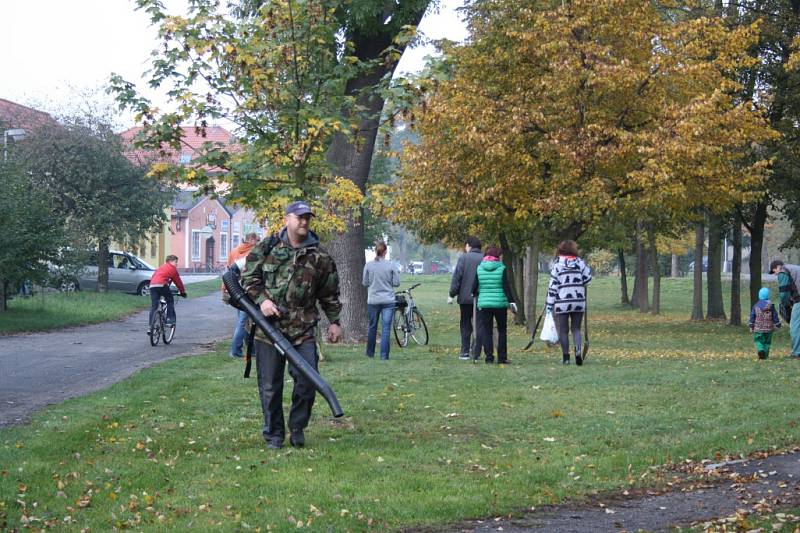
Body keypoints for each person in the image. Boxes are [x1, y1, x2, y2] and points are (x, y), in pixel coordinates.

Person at [240, 200, 342, 450]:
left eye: (307, 217)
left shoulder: (320, 257)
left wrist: (335, 323)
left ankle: (297, 427)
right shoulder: (267, 247)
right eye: (299, 217)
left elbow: (329, 293)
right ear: (286, 219)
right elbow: (247, 278)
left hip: (302, 329)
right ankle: (274, 435)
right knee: (270, 386)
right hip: (268, 329)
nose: (304, 221)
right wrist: (262, 302)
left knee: (307, 382)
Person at [545, 240, 592, 366]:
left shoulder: (557, 265)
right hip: (578, 301)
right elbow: (588, 280)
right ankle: (577, 351)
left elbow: (552, 286)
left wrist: (549, 305)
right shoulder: (580, 263)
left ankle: (566, 358)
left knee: (563, 331)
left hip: (561, 302)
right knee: (576, 329)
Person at [471, 245, 517, 364]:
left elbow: (474, 287)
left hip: (484, 304)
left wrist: (475, 293)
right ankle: (502, 357)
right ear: (497, 256)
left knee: (487, 331)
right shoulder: (502, 268)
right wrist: (512, 301)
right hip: (500, 304)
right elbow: (506, 287)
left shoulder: (479, 268)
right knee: (502, 330)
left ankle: (489, 358)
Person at [362, 241, 401, 360]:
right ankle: (384, 356)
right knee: (386, 329)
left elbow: (365, 282)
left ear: (376, 251)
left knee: (372, 327)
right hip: (388, 301)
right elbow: (396, 282)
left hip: (373, 300)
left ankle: (370, 353)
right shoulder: (391, 265)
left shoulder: (368, 265)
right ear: (385, 252)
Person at [226, 232, 261, 359]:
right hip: (247, 291)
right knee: (243, 322)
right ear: (251, 240)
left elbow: (228, 270)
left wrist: (226, 289)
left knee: (246, 321)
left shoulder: (234, 251)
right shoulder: (253, 253)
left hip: (236, 290)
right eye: (258, 240)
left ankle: (250, 350)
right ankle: (235, 351)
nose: (259, 242)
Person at [449, 236, 484, 360]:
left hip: (465, 298)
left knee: (465, 324)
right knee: (480, 324)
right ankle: (477, 351)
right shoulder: (484, 259)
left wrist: (452, 293)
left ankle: (464, 351)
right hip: (481, 298)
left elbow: (457, 277)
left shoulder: (463, 258)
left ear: (469, 245)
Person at [769, 260, 800, 357]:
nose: (775, 274)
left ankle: (797, 352)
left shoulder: (783, 272)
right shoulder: (794, 268)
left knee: (795, 326)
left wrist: (785, 305)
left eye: (774, 271)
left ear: (778, 267)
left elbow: (784, 293)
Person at [148, 255, 187, 331]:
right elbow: (178, 282)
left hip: (152, 285)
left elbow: (154, 277)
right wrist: (182, 292)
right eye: (175, 262)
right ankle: (169, 320)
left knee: (154, 306)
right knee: (170, 300)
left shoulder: (161, 267)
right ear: (170, 261)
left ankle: (151, 327)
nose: (176, 264)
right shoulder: (172, 269)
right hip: (162, 285)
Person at [749, 287, 781, 360]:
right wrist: (778, 324)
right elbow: (775, 316)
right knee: (767, 343)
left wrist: (751, 326)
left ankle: (760, 350)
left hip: (758, 328)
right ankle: (765, 356)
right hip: (768, 329)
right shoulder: (771, 306)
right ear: (768, 295)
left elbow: (752, 316)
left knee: (758, 340)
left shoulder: (756, 305)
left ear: (759, 296)